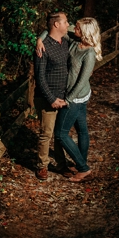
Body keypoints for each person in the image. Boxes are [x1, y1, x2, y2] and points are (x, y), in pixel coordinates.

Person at [36, 17, 102, 183]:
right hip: (75, 96)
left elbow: (81, 81)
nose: (73, 28)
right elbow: (51, 29)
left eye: (77, 28)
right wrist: (39, 39)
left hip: (77, 97)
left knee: (61, 134)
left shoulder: (89, 53)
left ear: (85, 32)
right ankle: (81, 162)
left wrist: (68, 100)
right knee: (82, 130)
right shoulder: (74, 39)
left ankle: (83, 168)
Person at [32, 11, 71, 180]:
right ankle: (42, 166)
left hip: (64, 97)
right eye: (65, 22)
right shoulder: (43, 47)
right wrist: (51, 99)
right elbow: (39, 77)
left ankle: (62, 164)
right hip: (47, 98)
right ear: (56, 25)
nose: (68, 24)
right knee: (46, 133)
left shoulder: (66, 41)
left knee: (60, 133)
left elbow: (81, 29)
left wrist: (39, 35)